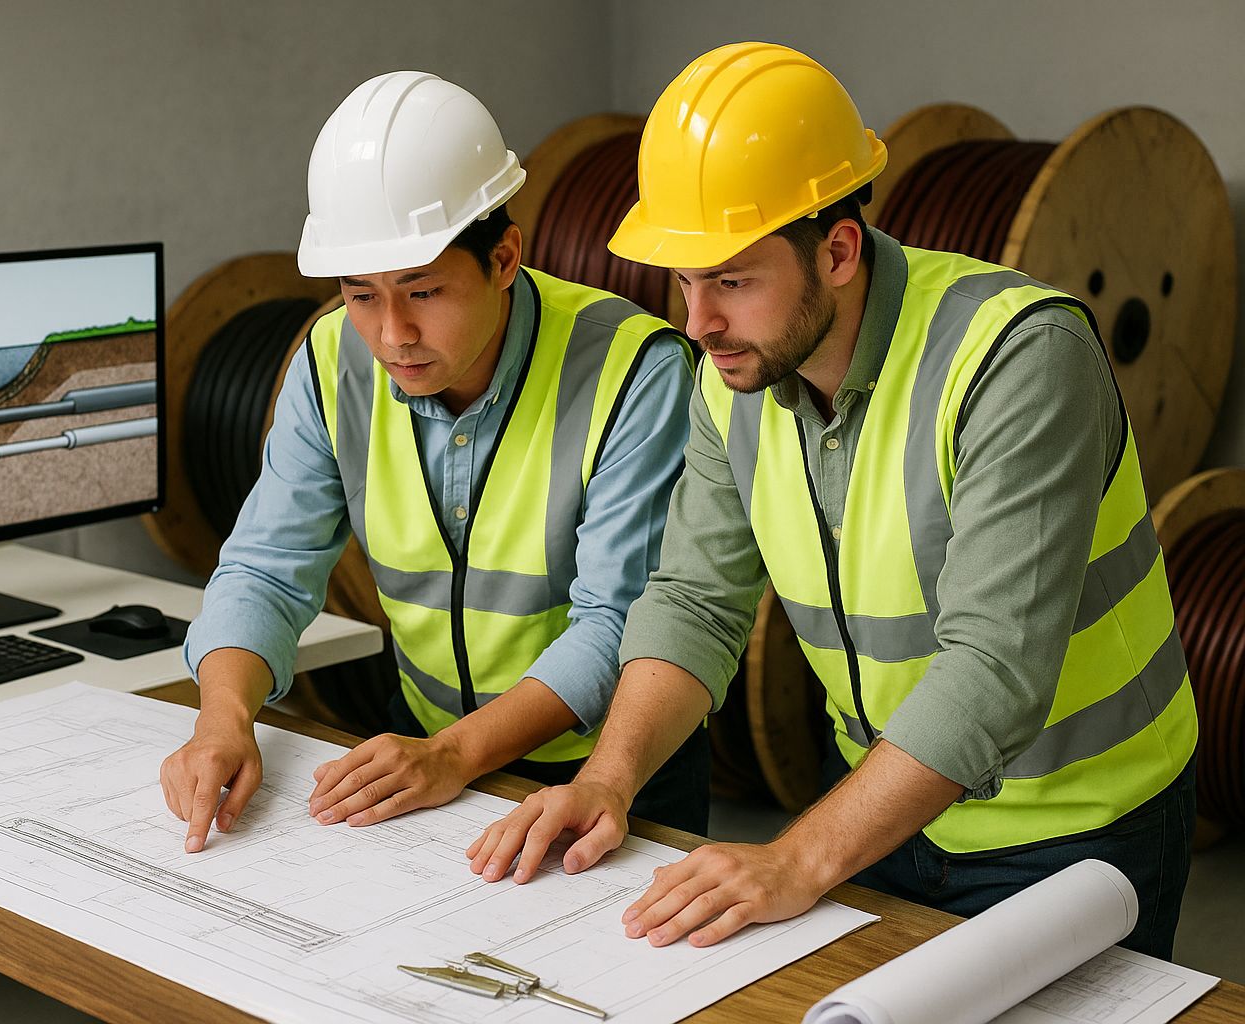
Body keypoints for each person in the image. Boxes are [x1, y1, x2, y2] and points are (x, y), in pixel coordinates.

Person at [466, 43, 1196, 960]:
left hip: (1076, 831)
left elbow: (994, 674)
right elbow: (695, 600)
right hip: (880, 809)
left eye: (730, 279)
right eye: (684, 281)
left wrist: (796, 859)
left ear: (839, 249)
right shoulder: (730, 377)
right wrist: (611, 779)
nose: (696, 323)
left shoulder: (1017, 358)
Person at [161, 70, 702, 854]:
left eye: (421, 291)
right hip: (430, 753)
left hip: (610, 769)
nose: (390, 336)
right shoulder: (330, 362)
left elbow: (616, 625)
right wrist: (222, 719)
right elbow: (267, 570)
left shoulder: (634, 370)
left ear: (505, 257)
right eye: (362, 295)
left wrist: (456, 755)